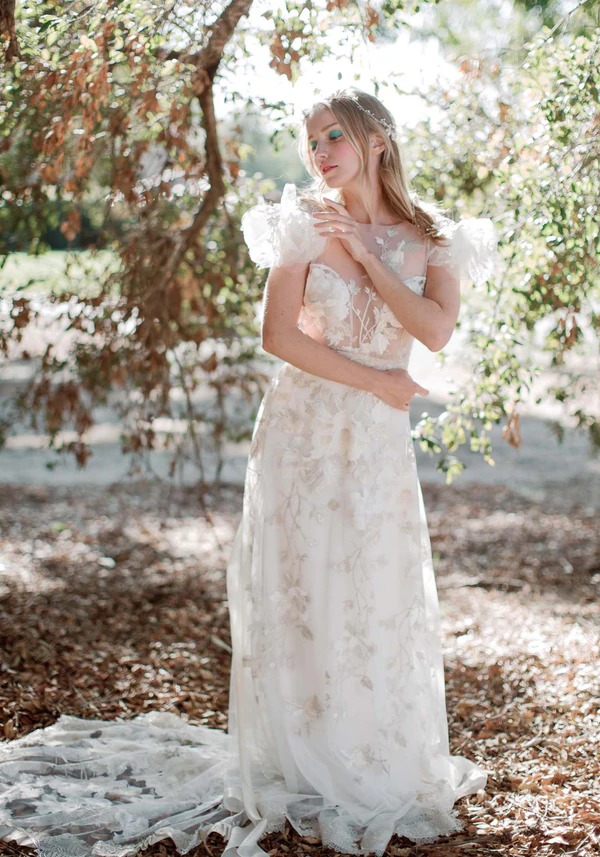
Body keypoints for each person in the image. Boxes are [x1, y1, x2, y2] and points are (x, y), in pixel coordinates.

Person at [0, 88, 496, 857]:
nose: (320, 151)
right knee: (305, 590)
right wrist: (374, 381)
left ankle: (375, 754)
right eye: (311, 141)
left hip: (372, 444)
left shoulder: (434, 236)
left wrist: (366, 254)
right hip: (303, 429)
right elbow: (277, 338)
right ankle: (304, 756)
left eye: (335, 135)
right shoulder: (300, 223)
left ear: (377, 143)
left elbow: (431, 327)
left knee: (373, 586)